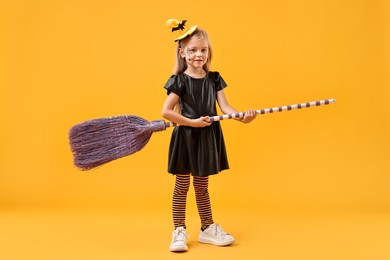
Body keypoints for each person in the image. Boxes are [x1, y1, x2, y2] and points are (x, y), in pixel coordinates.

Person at [162, 19, 257, 252]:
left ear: (208, 52)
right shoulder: (179, 81)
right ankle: (179, 231)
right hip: (186, 137)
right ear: (182, 53)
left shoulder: (214, 79)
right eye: (193, 50)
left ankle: (207, 229)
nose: (198, 55)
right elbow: (166, 112)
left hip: (206, 138)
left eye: (203, 50)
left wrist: (242, 117)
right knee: (182, 186)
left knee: (202, 186)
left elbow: (226, 108)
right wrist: (192, 123)